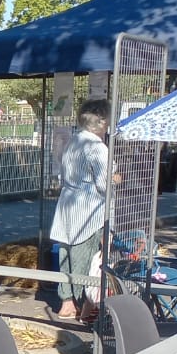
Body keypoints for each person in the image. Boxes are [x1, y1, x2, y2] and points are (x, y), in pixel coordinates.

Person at [49, 99, 115, 320]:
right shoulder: (97, 147)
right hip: (89, 211)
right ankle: (82, 306)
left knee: (65, 257)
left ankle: (67, 302)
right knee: (87, 260)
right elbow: (104, 184)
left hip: (68, 207)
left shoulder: (74, 141)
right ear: (103, 121)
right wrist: (117, 178)